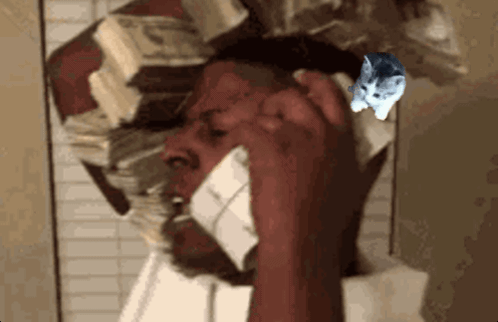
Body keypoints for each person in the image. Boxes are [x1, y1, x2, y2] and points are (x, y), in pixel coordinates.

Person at [119, 35, 394, 322]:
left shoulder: (401, 307)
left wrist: (293, 237)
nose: (169, 150)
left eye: (218, 130)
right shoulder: (177, 280)